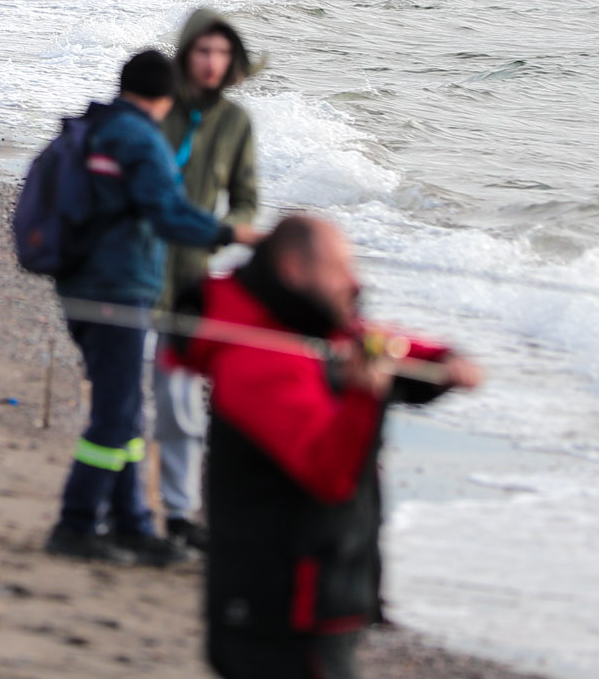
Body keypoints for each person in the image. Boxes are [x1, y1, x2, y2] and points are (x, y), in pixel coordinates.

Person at [183, 214, 481, 679]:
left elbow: (373, 344)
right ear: (294, 272)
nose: (354, 282)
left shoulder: (310, 328)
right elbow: (330, 475)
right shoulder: (256, 362)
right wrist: (364, 395)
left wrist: (443, 362)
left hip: (321, 600)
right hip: (280, 615)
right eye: (340, 269)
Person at [46, 49, 259, 566]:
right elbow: (167, 213)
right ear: (166, 97)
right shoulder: (141, 139)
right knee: (117, 416)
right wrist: (230, 232)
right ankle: (75, 523)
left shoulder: (97, 125)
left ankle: (132, 524)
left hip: (80, 284)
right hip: (116, 288)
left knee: (123, 409)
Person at [155, 9, 263, 552]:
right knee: (125, 398)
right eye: (204, 51)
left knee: (179, 402)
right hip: (137, 267)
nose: (212, 62)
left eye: (222, 53)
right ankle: (122, 508)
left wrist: (234, 231)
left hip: (193, 274)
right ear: (186, 52)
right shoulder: (160, 105)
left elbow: (246, 199)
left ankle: (178, 514)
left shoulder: (236, 123)